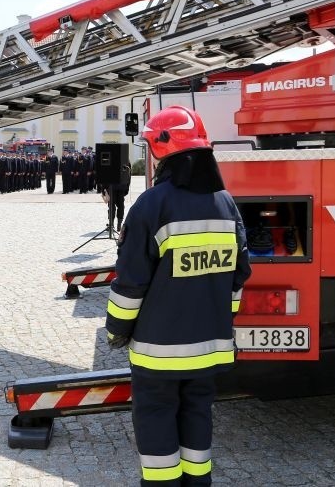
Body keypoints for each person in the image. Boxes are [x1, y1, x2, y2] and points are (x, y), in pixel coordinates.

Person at [105, 105, 251, 486]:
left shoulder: (153, 204)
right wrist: (221, 319)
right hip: (209, 348)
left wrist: (116, 331)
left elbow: (131, 283)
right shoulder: (225, 203)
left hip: (159, 352)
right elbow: (238, 277)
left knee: (156, 423)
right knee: (197, 417)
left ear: (160, 149)